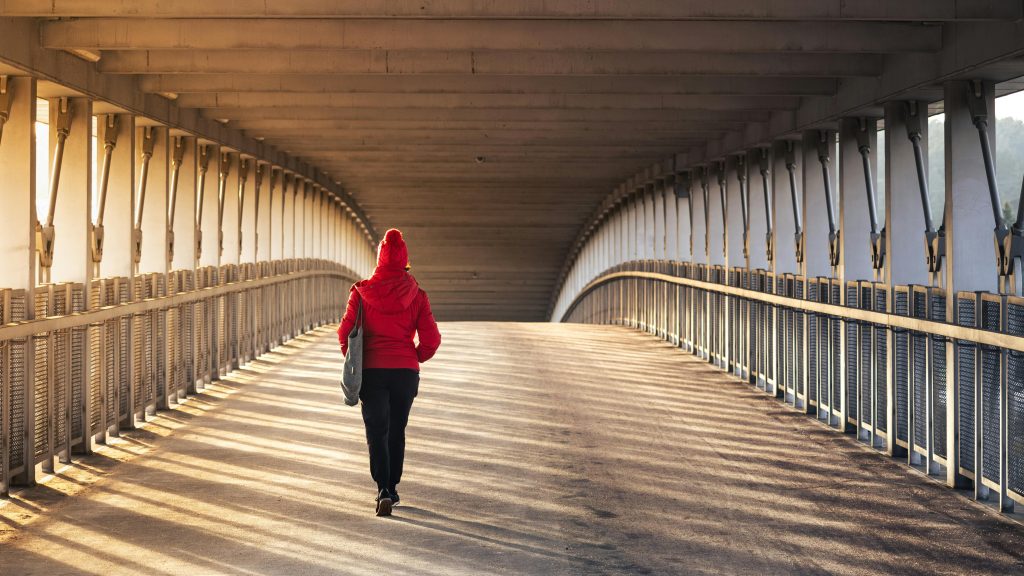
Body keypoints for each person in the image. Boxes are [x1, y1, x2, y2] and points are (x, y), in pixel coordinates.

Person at [338, 228, 441, 517]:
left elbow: (345, 333)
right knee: (397, 429)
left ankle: (382, 487)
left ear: (379, 260)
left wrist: (354, 363)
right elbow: (431, 339)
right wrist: (416, 356)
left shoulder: (362, 292)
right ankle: (393, 488)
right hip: (405, 372)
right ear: (406, 262)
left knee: (376, 430)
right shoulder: (418, 295)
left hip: (372, 370)